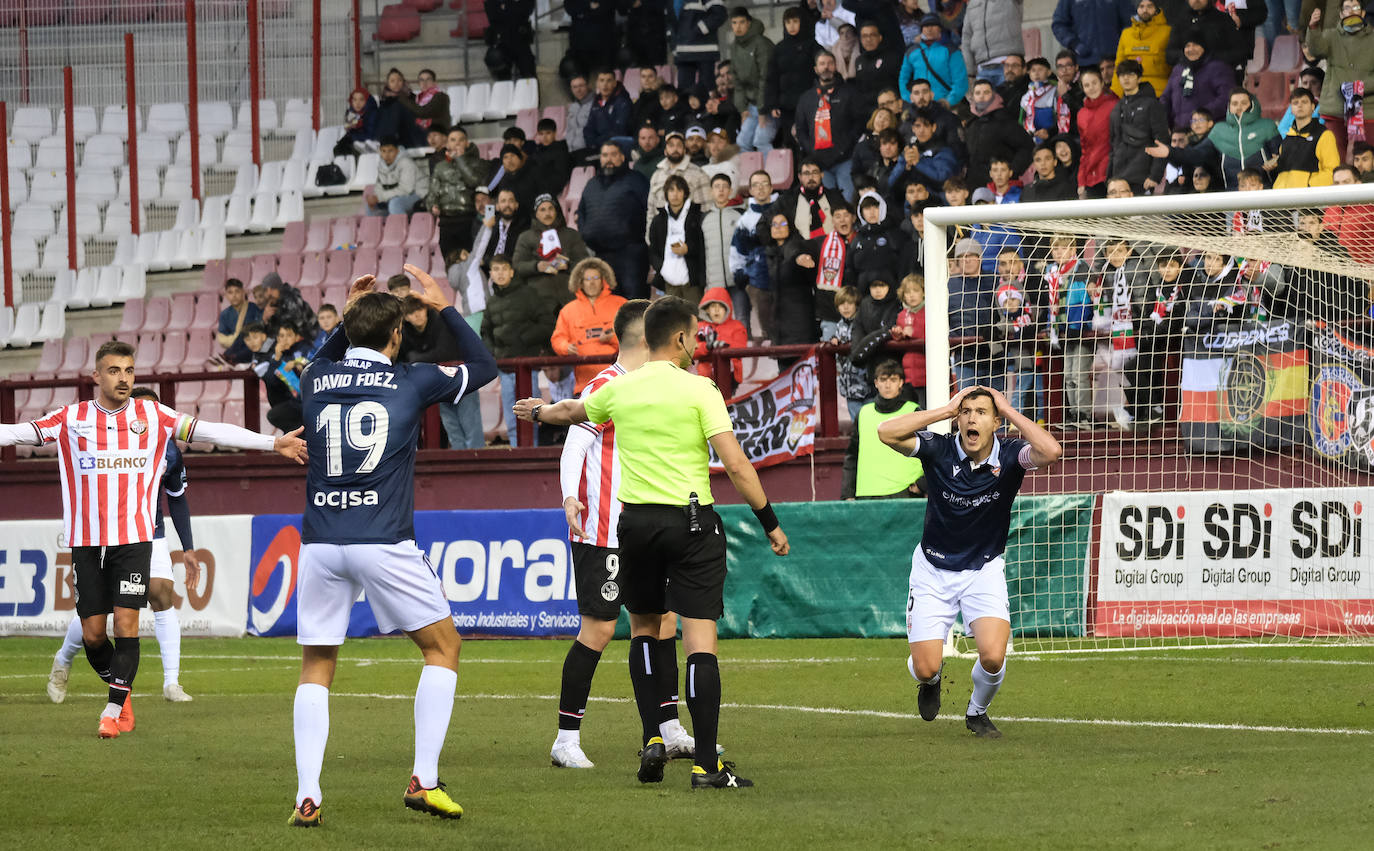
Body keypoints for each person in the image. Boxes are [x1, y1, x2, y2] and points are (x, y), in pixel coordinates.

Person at [514, 295, 790, 790]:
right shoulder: (700, 388)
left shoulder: (622, 390)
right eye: (696, 335)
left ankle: (657, 735)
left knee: (647, 628)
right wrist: (768, 520)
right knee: (696, 637)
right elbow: (735, 464)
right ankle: (704, 763)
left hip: (633, 525)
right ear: (679, 338)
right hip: (686, 521)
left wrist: (538, 413)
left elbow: (572, 413)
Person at [0, 340, 307, 739]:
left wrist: (271, 442)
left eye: (129, 370)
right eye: (114, 371)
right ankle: (121, 693)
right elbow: (13, 432)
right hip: (87, 542)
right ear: (96, 376)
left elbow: (207, 429)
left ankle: (112, 711)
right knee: (93, 634)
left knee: (127, 624)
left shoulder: (153, 415)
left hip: (135, 540)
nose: (123, 378)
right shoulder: (70, 419)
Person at [288, 265, 497, 826]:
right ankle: (423, 781)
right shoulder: (415, 380)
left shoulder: (314, 378)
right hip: (383, 539)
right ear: (398, 335)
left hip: (321, 542)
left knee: (317, 664)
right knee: (442, 648)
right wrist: (446, 306)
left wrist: (349, 316)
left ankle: (308, 795)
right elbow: (484, 368)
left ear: (350, 332)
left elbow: (320, 360)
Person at [551, 299, 706, 768]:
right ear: (645, 337)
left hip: (647, 528)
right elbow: (575, 440)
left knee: (663, 623)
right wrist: (569, 496)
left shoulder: (656, 385)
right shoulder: (606, 385)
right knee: (598, 629)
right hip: (605, 529)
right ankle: (565, 738)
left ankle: (668, 728)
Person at [879, 386, 1063, 738]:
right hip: (933, 569)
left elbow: (1051, 451)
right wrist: (942, 411)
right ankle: (929, 680)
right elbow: (885, 432)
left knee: (993, 656)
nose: (971, 417)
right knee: (924, 666)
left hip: (983, 568)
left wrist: (1008, 410)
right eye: (965, 411)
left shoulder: (1010, 456)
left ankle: (977, 712)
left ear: (995, 421)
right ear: (958, 419)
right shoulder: (939, 448)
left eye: (981, 411)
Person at [47, 387, 201, 705]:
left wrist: (188, 546)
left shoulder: (168, 451)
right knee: (98, 614)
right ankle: (63, 659)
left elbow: (178, 498)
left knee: (161, 593)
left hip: (149, 533)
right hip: (105, 535)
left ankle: (171, 682)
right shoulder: (106, 441)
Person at [842, 359, 926, 500]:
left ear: (901, 383)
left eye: (893, 380)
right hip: (868, 494)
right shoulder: (863, 413)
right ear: (876, 383)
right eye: (883, 379)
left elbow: (931, 451)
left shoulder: (914, 411)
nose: (887, 385)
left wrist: (923, 484)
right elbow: (852, 455)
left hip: (905, 493)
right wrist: (847, 493)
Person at [577, 142, 651, 300]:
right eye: (605, 155)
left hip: (631, 253)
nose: (608, 159)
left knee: (634, 301)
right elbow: (582, 212)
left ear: (622, 157)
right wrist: (585, 233)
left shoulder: (636, 180)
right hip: (602, 254)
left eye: (613, 154)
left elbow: (649, 210)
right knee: (609, 300)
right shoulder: (592, 183)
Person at [1305, 2, 1374, 162]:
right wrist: (1313, 28)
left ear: (1363, 13)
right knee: (1337, 157)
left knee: (1364, 158)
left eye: (1355, 7)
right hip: (1336, 107)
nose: (1352, 11)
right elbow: (1316, 51)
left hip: (1367, 108)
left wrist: (1358, 88)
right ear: (1341, 14)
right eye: (1347, 8)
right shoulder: (1331, 35)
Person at [795, 50, 865, 201]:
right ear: (815, 69)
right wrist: (811, 150)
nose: (826, 67)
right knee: (826, 204)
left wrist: (844, 148)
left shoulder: (849, 93)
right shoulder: (806, 98)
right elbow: (801, 130)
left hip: (845, 159)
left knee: (848, 201)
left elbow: (859, 123)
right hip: (819, 163)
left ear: (836, 66)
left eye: (830, 63)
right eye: (822, 64)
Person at [552, 258, 628, 392]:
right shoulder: (568, 310)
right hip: (585, 385)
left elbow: (635, 336)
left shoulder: (621, 304)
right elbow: (558, 339)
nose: (591, 283)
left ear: (603, 280)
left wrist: (612, 338)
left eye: (595, 278)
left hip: (620, 382)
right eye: (587, 279)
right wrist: (566, 347)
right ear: (580, 282)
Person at [512, 194, 589, 305]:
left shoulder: (571, 235)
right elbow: (517, 267)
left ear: (556, 211)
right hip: (539, 300)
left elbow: (585, 264)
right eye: (542, 210)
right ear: (536, 214)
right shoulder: (525, 237)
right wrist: (537, 266)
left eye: (550, 209)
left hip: (570, 298)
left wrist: (568, 265)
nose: (547, 214)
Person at [428, 127, 489, 264]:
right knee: (450, 264)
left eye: (461, 140)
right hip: (446, 222)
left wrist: (461, 160)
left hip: (469, 220)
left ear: (467, 143)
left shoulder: (478, 163)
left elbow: (474, 182)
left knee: (471, 264)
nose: (457, 144)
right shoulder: (440, 167)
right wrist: (432, 205)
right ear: (447, 144)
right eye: (453, 140)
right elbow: (432, 192)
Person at [1106, 59, 1168, 194]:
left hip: (1142, 177)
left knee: (1140, 215)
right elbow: (1113, 145)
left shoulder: (1152, 105)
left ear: (1139, 78)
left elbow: (1162, 141)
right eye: (1122, 75)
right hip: (1119, 176)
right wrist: (1110, 176)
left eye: (1131, 74)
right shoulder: (1117, 108)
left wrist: (1155, 175)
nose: (1126, 78)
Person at [962, 78, 1034, 191]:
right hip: (975, 185)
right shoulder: (972, 123)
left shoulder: (1005, 120)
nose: (981, 96)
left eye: (986, 92)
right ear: (973, 97)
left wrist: (1012, 172)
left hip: (1002, 186)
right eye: (978, 93)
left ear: (994, 95)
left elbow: (1026, 147)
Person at [648, 175, 707, 304]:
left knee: (694, 318)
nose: (675, 194)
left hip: (692, 280)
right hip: (668, 280)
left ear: (685, 193)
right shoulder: (658, 220)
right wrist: (662, 268)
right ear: (666, 193)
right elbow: (652, 250)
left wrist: (688, 249)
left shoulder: (697, 216)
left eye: (679, 190)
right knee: (672, 320)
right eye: (671, 190)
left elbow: (704, 245)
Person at [765, 7, 816, 150]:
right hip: (786, 106)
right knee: (790, 141)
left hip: (808, 102)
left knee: (809, 139)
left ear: (802, 22)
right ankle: (793, 172)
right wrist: (772, 104)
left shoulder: (812, 45)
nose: (791, 26)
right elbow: (771, 78)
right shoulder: (779, 48)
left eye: (795, 21)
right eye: (788, 22)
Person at [1159, 30, 1231, 129]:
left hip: (1207, 129)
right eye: (1187, 46)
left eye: (1196, 45)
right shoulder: (1178, 69)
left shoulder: (1217, 68)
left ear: (1204, 48)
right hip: (1179, 130)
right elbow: (1165, 98)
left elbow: (1226, 98)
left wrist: (1201, 115)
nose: (1191, 49)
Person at [1271, 87, 1341, 189]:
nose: (1299, 105)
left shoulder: (1324, 135)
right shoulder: (1287, 138)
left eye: (1304, 102)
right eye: (1295, 103)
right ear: (1291, 109)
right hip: (1284, 199)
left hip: (1309, 200)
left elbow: (1332, 170)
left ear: (1313, 106)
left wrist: (1309, 186)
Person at [728, 8, 776, 154]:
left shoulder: (761, 43)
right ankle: (749, 177)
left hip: (769, 104)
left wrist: (762, 110)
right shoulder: (735, 46)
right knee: (742, 142)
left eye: (742, 22)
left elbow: (765, 78)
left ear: (749, 23)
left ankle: (770, 176)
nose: (738, 27)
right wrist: (742, 109)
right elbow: (737, 81)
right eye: (734, 23)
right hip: (752, 105)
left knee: (761, 140)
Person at [1110, 0, 1171, 98]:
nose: (1145, 10)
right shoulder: (1126, 34)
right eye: (1141, 6)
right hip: (1131, 92)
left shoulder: (1167, 32)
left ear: (1156, 9)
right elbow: (1119, 66)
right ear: (1137, 9)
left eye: (1149, 6)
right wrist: (1115, 96)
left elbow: (1173, 68)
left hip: (1159, 93)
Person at [1075, 66, 1117, 197]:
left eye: (1094, 83)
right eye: (1087, 85)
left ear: (1102, 83)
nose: (1091, 88)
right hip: (1091, 175)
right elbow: (1084, 149)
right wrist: (1081, 180)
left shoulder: (1114, 105)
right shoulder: (1082, 113)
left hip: (1113, 171)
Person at [1052, 0, 1135, 67]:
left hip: (1114, 61)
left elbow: (1131, 22)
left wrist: (1122, 46)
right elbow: (1059, 25)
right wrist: (1074, 44)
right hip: (1085, 62)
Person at [961, 0, 1025, 86]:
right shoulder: (973, 3)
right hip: (982, 68)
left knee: (1009, 98)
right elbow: (966, 37)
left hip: (1007, 65)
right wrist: (969, 71)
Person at [647, 130, 712, 210]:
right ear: (665, 151)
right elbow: (651, 209)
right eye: (671, 145)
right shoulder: (656, 175)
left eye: (679, 145)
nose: (675, 149)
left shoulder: (698, 174)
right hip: (661, 222)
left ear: (684, 150)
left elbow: (706, 207)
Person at [693, 287, 748, 384]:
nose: (717, 310)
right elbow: (691, 351)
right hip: (705, 376)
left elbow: (741, 349)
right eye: (713, 306)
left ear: (727, 308)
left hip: (730, 375)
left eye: (721, 306)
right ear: (707, 309)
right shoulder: (699, 327)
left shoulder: (737, 326)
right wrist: (706, 347)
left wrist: (718, 342)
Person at [676, 0, 729, 93]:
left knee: (706, 90)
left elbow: (720, 14)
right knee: (683, 92)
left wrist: (700, 29)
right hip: (683, 52)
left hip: (704, 50)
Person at [703, 174, 743, 290]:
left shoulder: (740, 215)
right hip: (714, 284)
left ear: (730, 191)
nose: (721, 190)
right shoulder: (704, 218)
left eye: (725, 186)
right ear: (711, 191)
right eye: (717, 186)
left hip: (738, 283)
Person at [367, 136, 423, 216]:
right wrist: (374, 198)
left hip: (416, 195)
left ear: (397, 151)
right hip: (393, 196)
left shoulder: (406, 163)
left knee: (395, 204)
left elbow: (405, 189)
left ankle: (401, 228)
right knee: (370, 204)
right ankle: (376, 228)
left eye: (390, 151)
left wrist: (380, 197)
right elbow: (379, 187)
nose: (386, 155)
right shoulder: (382, 166)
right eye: (383, 151)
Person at [400, 69, 451, 148]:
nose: (424, 83)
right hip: (424, 135)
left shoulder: (440, 96)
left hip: (438, 135)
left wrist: (401, 97)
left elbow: (423, 112)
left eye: (428, 79)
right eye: (421, 80)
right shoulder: (418, 99)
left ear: (434, 82)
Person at [216, 278, 262, 351]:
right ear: (226, 295)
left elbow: (260, 333)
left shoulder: (253, 308)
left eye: (237, 291)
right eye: (230, 292)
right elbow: (222, 339)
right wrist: (237, 340)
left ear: (243, 292)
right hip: (235, 350)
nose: (234, 295)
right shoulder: (224, 314)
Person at [565, 75, 595, 153]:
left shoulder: (596, 104)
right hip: (571, 151)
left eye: (581, 86)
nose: (578, 90)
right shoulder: (572, 107)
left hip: (588, 150)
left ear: (588, 86)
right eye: (574, 87)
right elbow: (569, 129)